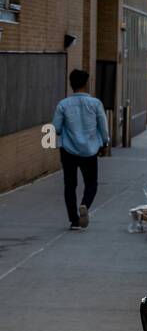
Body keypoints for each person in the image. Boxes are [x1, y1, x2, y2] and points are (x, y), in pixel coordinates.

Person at [52, 70, 109, 231]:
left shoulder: (63, 104)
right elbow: (103, 127)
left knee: (70, 185)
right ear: (86, 83)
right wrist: (104, 143)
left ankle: (74, 220)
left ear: (71, 84)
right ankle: (84, 205)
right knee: (91, 183)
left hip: (68, 150)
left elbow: (55, 128)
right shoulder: (95, 103)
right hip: (90, 151)